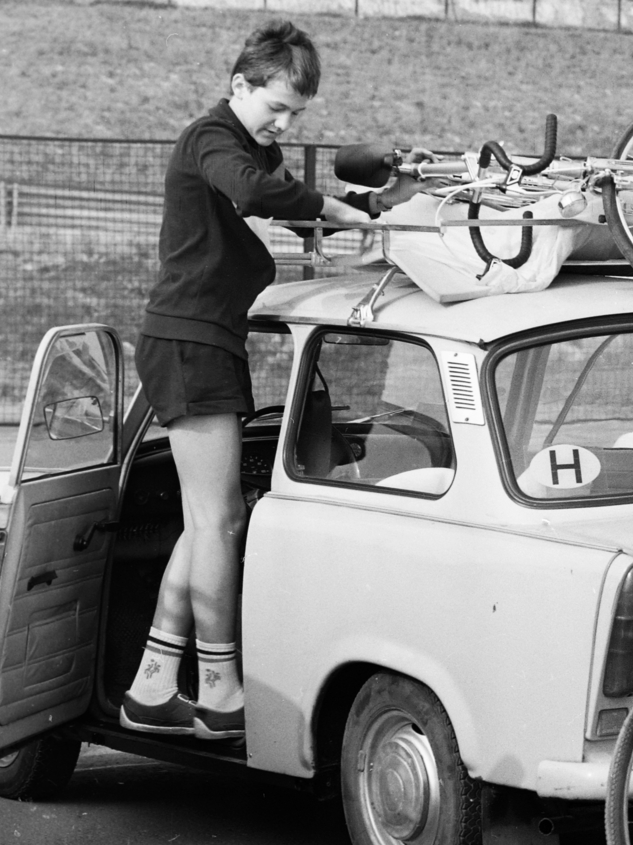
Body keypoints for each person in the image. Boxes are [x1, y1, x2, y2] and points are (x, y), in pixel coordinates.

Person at [121, 20, 429, 740]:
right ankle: (222, 690)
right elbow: (259, 193)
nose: (284, 123)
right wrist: (323, 206)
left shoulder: (248, 146)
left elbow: (289, 202)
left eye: (296, 114)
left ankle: (153, 682)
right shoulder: (211, 140)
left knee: (207, 521)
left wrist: (373, 210)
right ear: (240, 86)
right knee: (220, 520)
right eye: (277, 107)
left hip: (205, 338)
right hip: (188, 339)